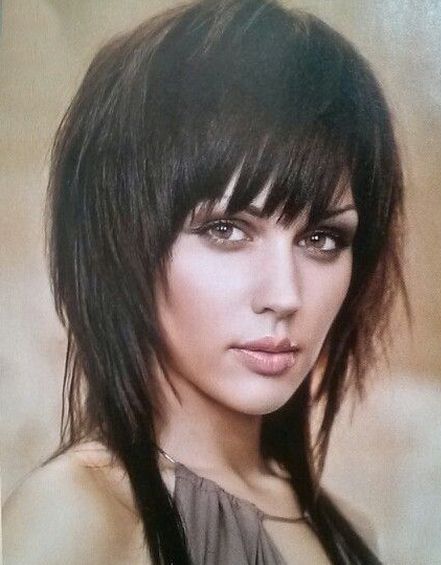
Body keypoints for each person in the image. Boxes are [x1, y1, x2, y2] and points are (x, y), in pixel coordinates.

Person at [3, 0, 408, 563]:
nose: (285, 296)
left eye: (322, 239)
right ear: (123, 242)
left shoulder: (348, 530)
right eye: (226, 230)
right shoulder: (81, 514)